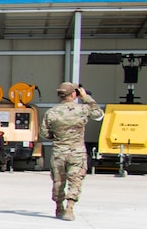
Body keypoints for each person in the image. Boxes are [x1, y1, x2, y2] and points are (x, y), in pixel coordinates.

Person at [41, 81, 104, 219]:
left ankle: (59, 208)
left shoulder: (51, 112)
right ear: (74, 94)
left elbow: (44, 133)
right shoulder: (82, 109)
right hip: (77, 152)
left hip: (59, 151)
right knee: (75, 179)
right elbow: (99, 114)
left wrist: (58, 137)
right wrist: (86, 97)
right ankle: (70, 209)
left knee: (58, 181)